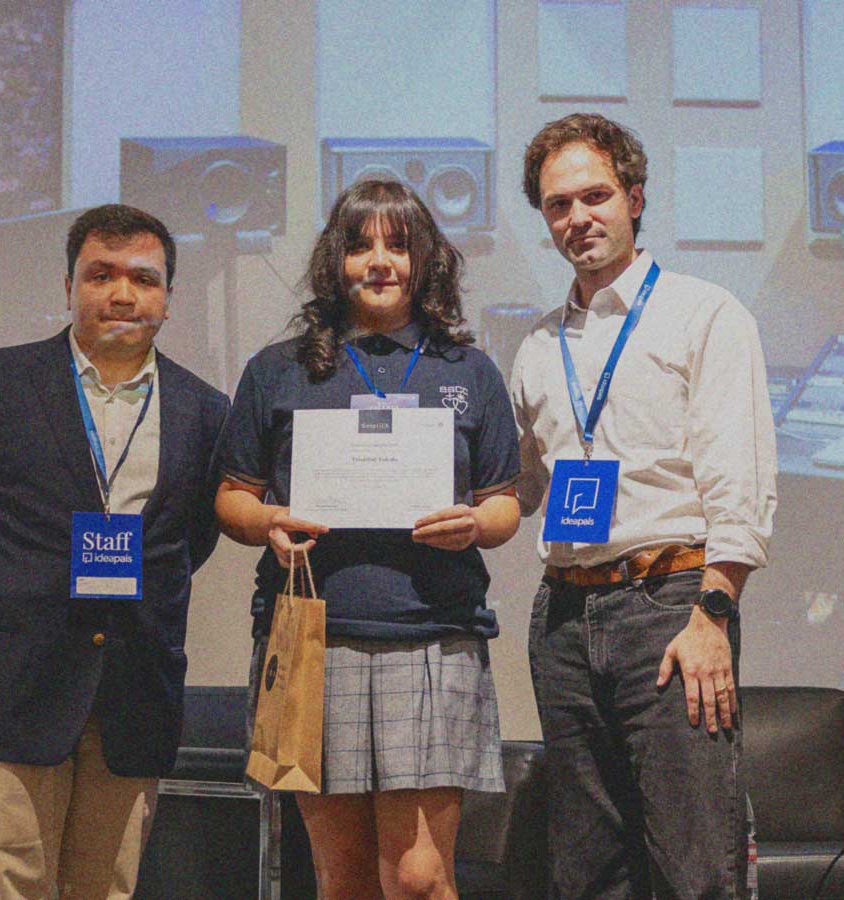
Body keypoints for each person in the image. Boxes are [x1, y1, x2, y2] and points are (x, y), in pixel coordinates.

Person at [0, 204, 230, 900]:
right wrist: (4, 594)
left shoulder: (206, 411)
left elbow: (185, 543)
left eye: (143, 279)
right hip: (8, 682)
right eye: (101, 275)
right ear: (68, 287)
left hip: (131, 688)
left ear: (168, 299)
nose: (121, 293)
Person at [214, 179, 521, 900]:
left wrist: (475, 525)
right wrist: (268, 524)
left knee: (417, 878)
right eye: (359, 246)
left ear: (426, 261)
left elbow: (503, 505)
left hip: (433, 634)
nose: (378, 262)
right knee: (342, 880)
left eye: (397, 245)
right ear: (335, 261)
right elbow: (232, 499)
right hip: (313, 637)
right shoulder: (279, 368)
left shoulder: (467, 371)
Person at [510, 112, 777, 899]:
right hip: (562, 618)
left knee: (697, 869)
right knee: (588, 873)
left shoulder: (704, 314)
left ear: (633, 198)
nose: (577, 218)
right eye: (558, 205)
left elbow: (739, 482)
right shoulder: (536, 345)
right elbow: (522, 490)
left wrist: (713, 615)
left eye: (594, 196)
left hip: (671, 609)